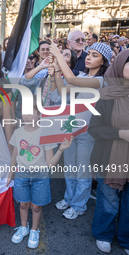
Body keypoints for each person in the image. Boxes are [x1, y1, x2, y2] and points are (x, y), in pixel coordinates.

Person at [50, 42, 112, 219]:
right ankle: (69, 198)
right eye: (89, 54)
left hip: (87, 133)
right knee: (69, 168)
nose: (89, 57)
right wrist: (55, 71)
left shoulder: (101, 81)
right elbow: (62, 90)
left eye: (95, 55)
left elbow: (70, 80)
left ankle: (79, 205)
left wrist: (59, 56)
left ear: (103, 61)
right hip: (71, 128)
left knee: (82, 171)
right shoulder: (83, 74)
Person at [6, 98, 73, 249]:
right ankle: (24, 227)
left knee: (36, 207)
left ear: (39, 114)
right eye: (24, 112)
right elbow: (14, 156)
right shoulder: (18, 132)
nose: (26, 115)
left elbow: (50, 163)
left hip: (40, 176)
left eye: (31, 112)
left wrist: (61, 149)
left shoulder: (45, 133)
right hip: (22, 174)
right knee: (23, 204)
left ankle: (34, 230)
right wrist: (10, 174)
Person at [88, 50, 129, 255]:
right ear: (120, 65)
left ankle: (125, 238)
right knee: (109, 200)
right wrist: (120, 133)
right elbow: (94, 129)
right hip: (109, 157)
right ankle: (103, 234)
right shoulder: (106, 95)